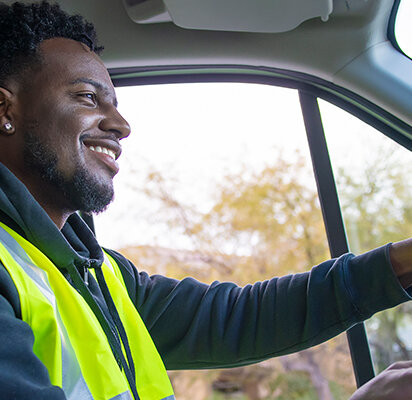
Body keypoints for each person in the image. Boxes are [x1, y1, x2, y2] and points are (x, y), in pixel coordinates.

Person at [0, 2, 410, 399]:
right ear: (5, 109)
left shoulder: (95, 272)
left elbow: (238, 318)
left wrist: (398, 265)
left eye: (115, 104)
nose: (121, 126)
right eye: (87, 97)